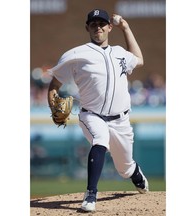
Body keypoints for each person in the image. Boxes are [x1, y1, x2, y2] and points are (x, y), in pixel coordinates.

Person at [47, 9, 149, 212]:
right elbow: (54, 85)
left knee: (125, 168)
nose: (98, 27)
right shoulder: (75, 55)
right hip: (91, 115)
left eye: (102, 23)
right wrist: (53, 105)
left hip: (121, 120)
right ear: (87, 28)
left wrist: (126, 28)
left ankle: (135, 173)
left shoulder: (120, 52)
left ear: (109, 27)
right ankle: (91, 195)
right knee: (100, 139)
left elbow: (139, 59)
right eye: (93, 24)